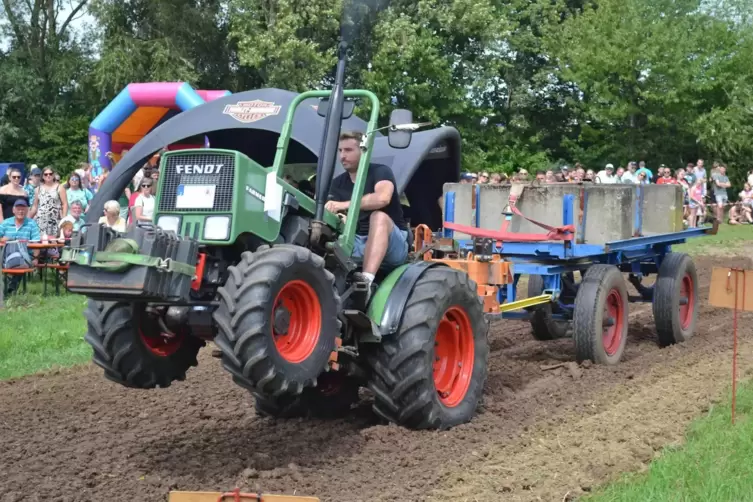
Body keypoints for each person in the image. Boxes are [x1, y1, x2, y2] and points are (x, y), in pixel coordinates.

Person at [325, 131, 409, 288]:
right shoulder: (337, 183)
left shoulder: (381, 172)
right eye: (340, 150)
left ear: (363, 151)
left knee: (379, 217)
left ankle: (366, 282)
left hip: (392, 244)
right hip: (355, 241)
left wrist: (344, 205)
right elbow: (332, 210)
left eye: (348, 150)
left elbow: (383, 198)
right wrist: (339, 217)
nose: (342, 156)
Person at [0, 199, 41, 295]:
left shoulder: (32, 224)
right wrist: (3, 239)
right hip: (6, 255)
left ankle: (11, 287)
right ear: (13, 210)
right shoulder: (6, 223)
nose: (21, 211)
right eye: (18, 209)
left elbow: (36, 242)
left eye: (23, 209)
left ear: (27, 211)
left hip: (26, 256)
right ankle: (9, 288)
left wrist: (36, 258)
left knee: (21, 261)